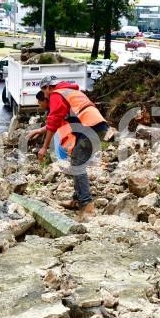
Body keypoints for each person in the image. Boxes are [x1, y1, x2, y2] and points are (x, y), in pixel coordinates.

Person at [37, 75, 109, 220]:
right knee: (76, 161)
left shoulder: (56, 94)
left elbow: (54, 121)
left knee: (78, 165)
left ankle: (86, 205)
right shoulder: (68, 92)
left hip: (91, 129)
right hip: (95, 127)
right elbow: (57, 121)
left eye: (44, 91)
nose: (44, 95)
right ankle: (77, 199)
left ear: (49, 87)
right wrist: (39, 131)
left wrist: (44, 147)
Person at [28, 91, 71, 160]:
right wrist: (37, 131)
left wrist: (44, 147)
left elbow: (52, 126)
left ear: (45, 100)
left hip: (68, 132)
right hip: (69, 130)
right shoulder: (55, 105)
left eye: (39, 102)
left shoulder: (55, 109)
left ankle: (63, 161)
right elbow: (51, 125)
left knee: (58, 139)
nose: (39, 105)